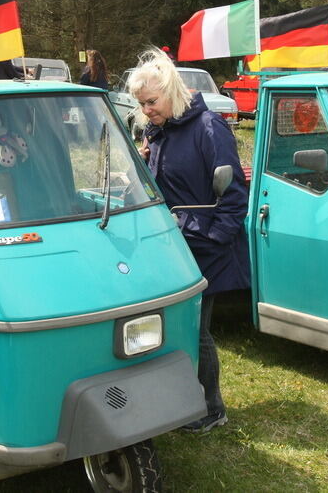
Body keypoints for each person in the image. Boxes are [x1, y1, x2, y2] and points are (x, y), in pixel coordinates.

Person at [127, 47, 250, 434]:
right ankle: (175, 400)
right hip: (173, 246)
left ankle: (210, 408)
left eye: (151, 101)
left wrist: (210, 240)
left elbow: (234, 198)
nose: (146, 110)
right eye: (141, 104)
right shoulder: (157, 132)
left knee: (194, 330)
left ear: (171, 91)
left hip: (205, 247)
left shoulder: (209, 127)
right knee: (170, 328)